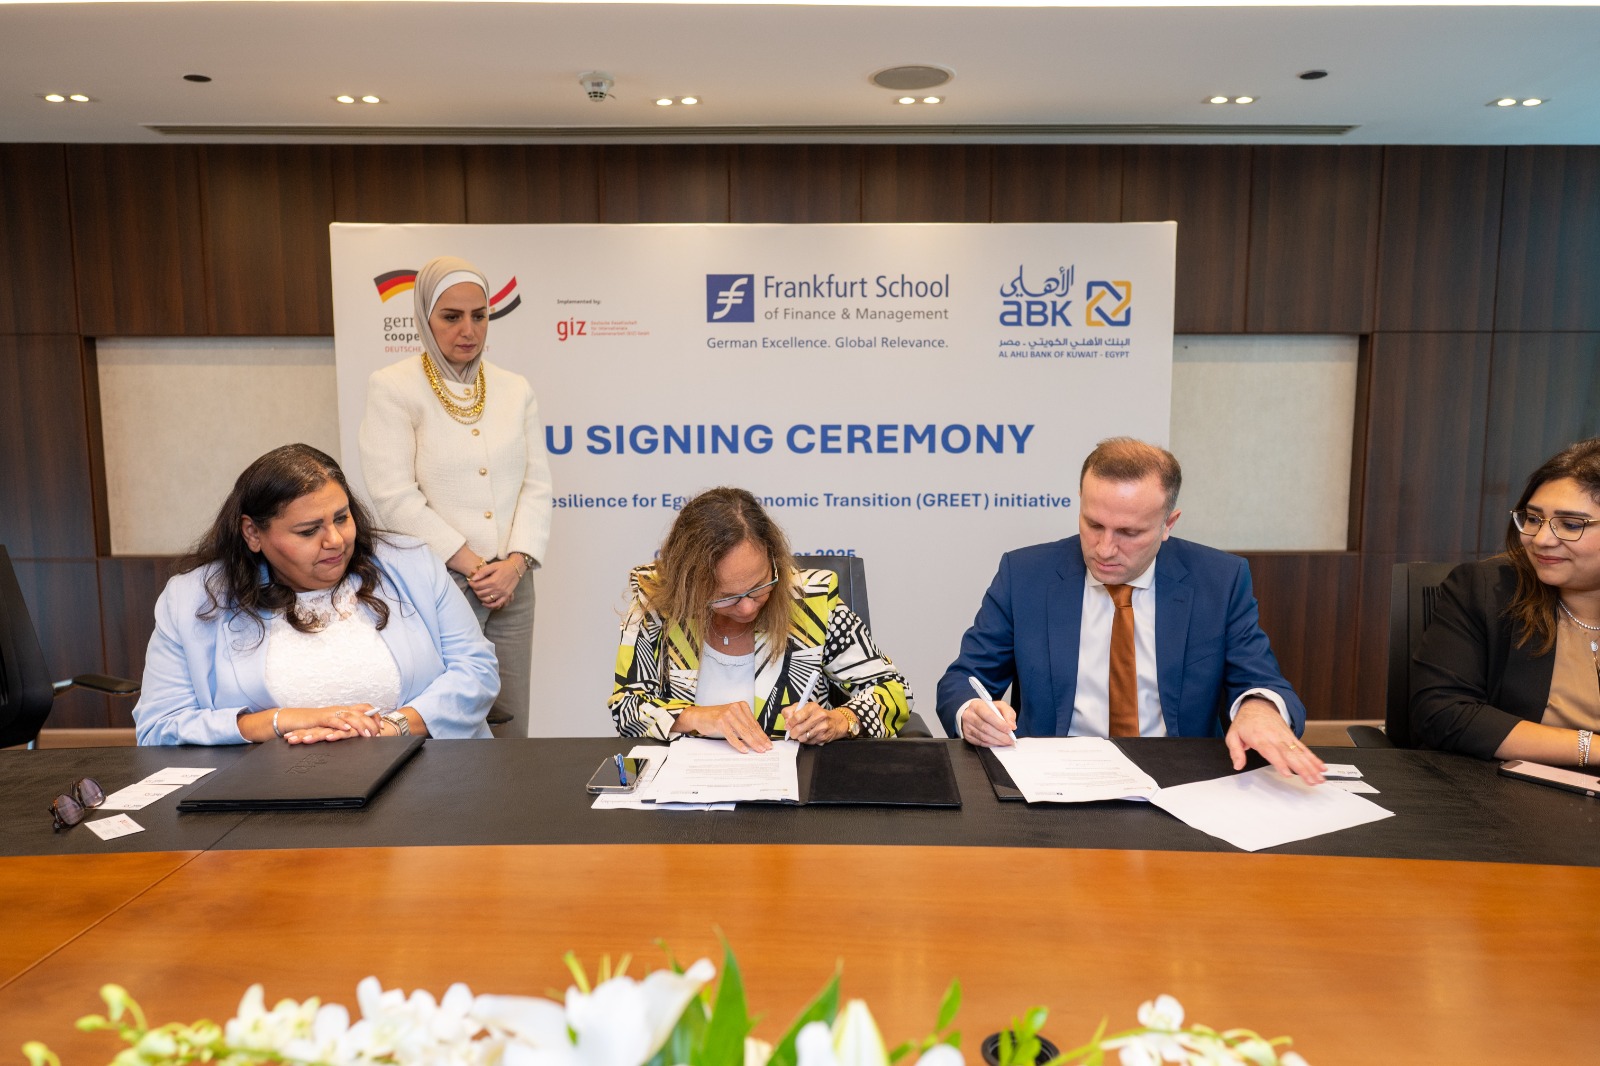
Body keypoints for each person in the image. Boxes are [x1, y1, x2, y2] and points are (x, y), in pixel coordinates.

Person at [937, 437, 1324, 783]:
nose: (1105, 549)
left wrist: (1259, 707)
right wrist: (972, 713)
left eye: (1129, 532)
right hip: (1056, 779)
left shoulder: (1219, 580)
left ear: (1168, 524)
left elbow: (1259, 677)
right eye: (1094, 524)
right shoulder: (1026, 575)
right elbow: (964, 678)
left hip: (1181, 779)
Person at [132, 444, 498, 746]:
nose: (335, 541)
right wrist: (281, 722)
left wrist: (392, 728)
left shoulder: (411, 563)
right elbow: (159, 727)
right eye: (309, 531)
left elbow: (476, 671)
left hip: (424, 776)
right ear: (253, 533)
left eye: (341, 518)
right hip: (267, 792)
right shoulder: (193, 599)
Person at [359, 255, 552, 738]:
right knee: (444, 720)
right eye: (451, 316)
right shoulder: (394, 387)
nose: (468, 330)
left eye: (479, 315)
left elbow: (535, 485)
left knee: (512, 720)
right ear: (425, 318)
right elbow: (394, 496)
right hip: (437, 581)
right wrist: (474, 566)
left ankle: (513, 793)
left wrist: (514, 566)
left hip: (512, 584)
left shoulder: (514, 389)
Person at [610, 487, 912, 751]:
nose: (746, 608)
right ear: (689, 585)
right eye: (726, 596)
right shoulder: (656, 604)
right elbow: (626, 707)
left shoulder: (812, 601)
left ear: (774, 559)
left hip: (794, 784)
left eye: (759, 586)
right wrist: (695, 717)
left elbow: (893, 689)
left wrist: (840, 720)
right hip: (683, 790)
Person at [1411, 439, 1600, 766]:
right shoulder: (1487, 589)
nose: (1541, 539)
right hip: (1503, 786)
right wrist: (1591, 749)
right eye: (1533, 518)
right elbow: (1443, 712)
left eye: (1570, 525)